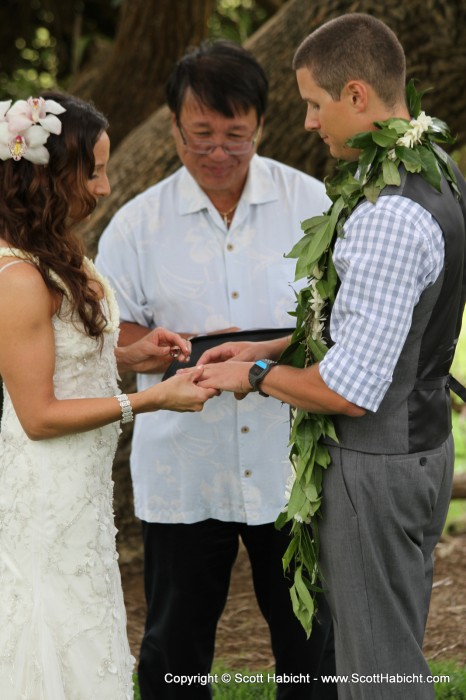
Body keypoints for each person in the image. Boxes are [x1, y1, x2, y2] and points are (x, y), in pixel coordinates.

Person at [193, 14, 466, 700]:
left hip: (375, 466)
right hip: (421, 448)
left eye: (313, 104)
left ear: (354, 95)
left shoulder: (387, 214)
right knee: (384, 649)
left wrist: (253, 376)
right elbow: (378, 321)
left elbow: (348, 390)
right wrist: (273, 345)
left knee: (378, 672)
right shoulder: (431, 168)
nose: (309, 123)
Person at [96, 40, 337, 700]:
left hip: (293, 466)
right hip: (184, 466)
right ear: (173, 125)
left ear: (260, 124)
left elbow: (341, 316)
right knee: (175, 647)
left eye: (237, 134)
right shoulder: (136, 225)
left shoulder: (310, 203)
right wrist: (157, 348)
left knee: (311, 644)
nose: (219, 151)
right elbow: (111, 331)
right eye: (202, 134)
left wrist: (275, 348)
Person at [0, 91, 216, 700]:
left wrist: (128, 357)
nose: (104, 185)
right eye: (92, 170)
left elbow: (53, 358)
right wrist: (149, 399)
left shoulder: (55, 252)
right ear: (46, 174)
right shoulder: (16, 277)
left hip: (81, 496)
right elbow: (38, 414)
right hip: (45, 493)